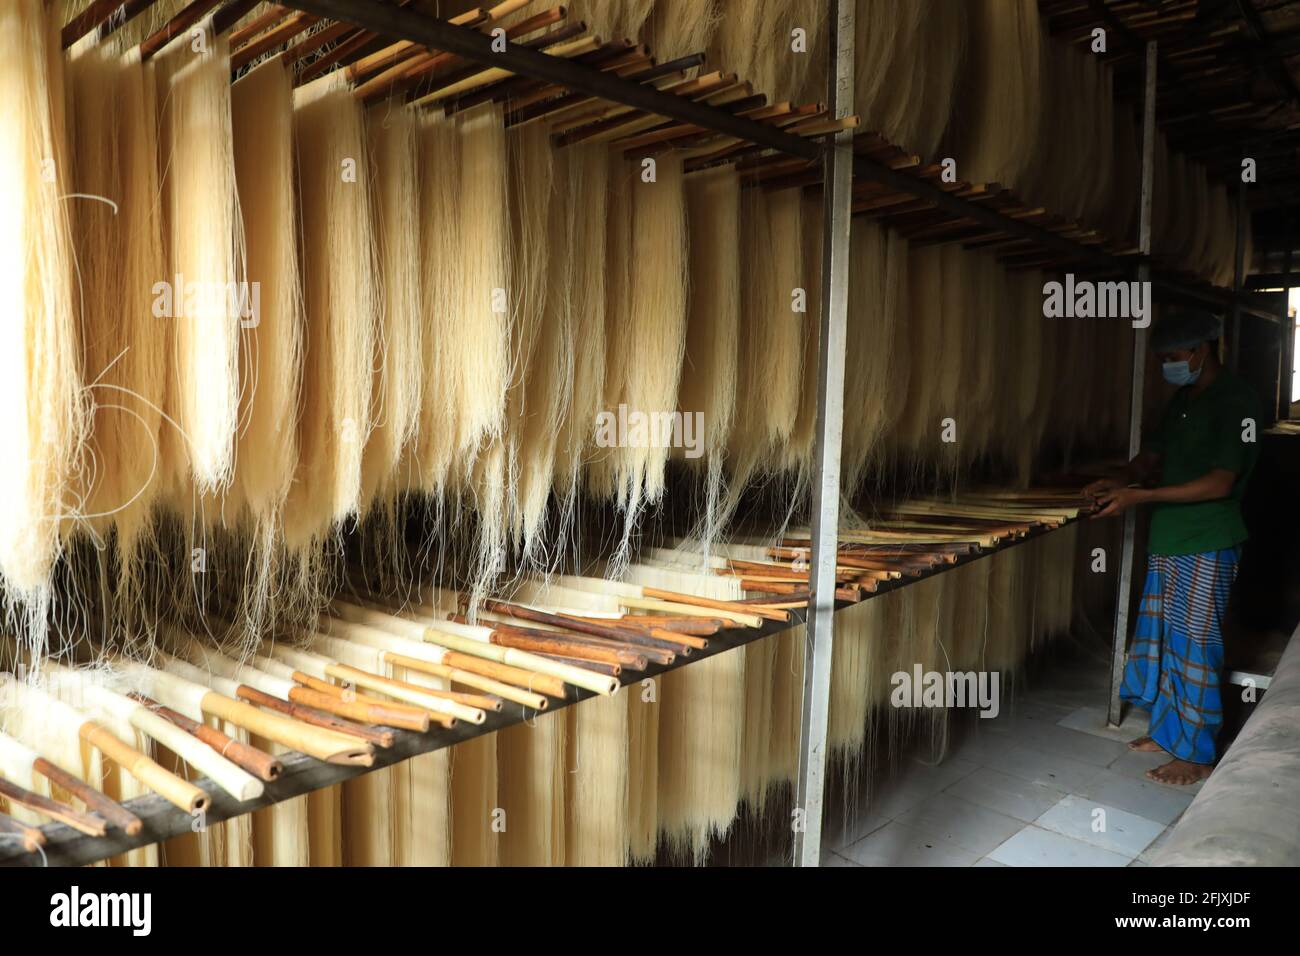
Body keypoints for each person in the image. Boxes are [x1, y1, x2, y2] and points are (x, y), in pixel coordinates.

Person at [1085, 309, 1262, 785]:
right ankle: (1168, 733)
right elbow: (1152, 456)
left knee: (1195, 645)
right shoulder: (1184, 400)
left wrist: (1139, 497)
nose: (1167, 364)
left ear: (1202, 350)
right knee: (1165, 638)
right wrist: (1120, 478)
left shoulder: (1238, 402)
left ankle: (1196, 752)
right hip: (1169, 537)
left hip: (1207, 538)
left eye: (1173, 356)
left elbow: (1220, 483)